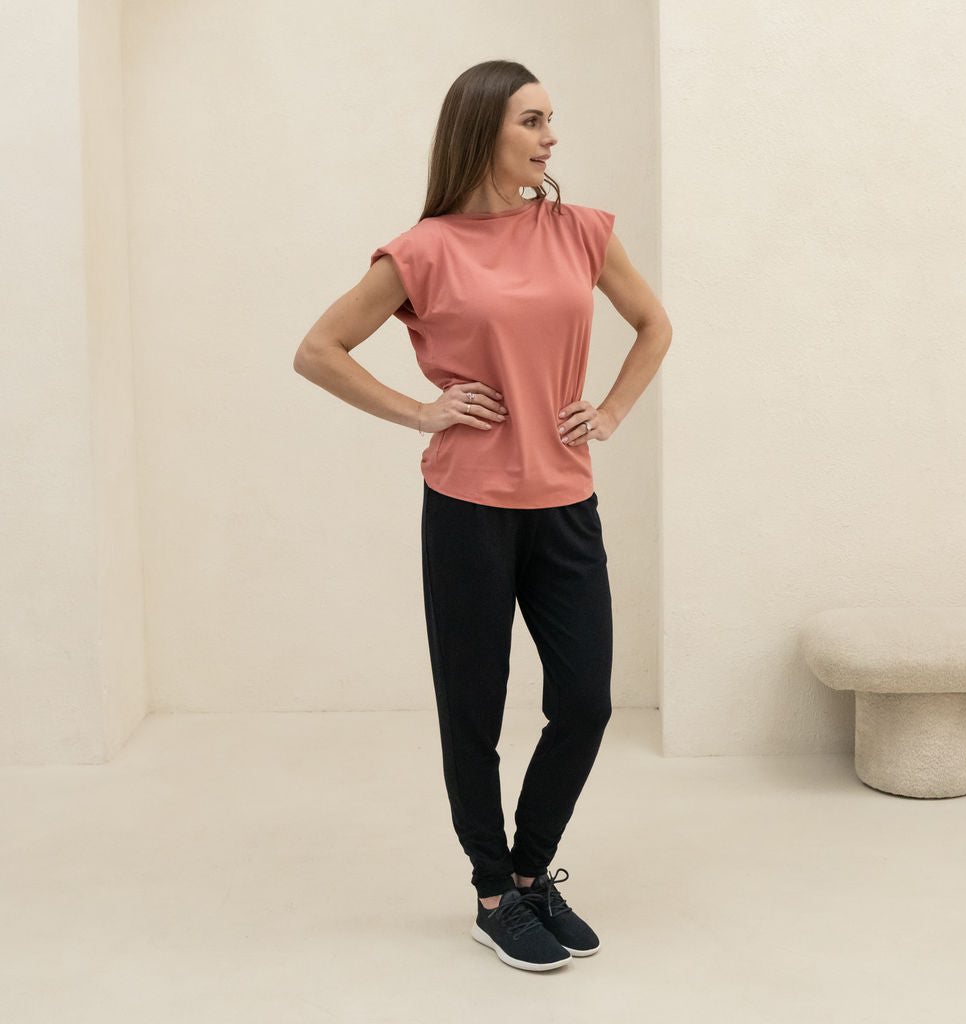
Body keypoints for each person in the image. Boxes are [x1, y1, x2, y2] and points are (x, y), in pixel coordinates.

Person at [293, 60, 671, 972]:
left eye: (550, 120)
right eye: (532, 120)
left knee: (584, 701)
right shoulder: (423, 251)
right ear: (482, 130)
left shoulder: (581, 230)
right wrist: (421, 411)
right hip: (467, 508)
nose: (550, 137)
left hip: (566, 502)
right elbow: (318, 350)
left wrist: (611, 410)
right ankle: (494, 893)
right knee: (474, 709)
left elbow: (653, 324)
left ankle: (532, 870)